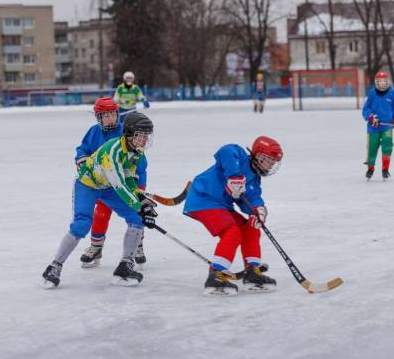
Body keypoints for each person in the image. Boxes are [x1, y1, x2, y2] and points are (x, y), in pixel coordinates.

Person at [41, 112, 158, 289]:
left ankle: (124, 267)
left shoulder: (136, 152)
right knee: (82, 224)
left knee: (136, 218)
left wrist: (142, 201)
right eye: (140, 136)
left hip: (107, 187)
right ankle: (54, 267)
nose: (144, 140)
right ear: (128, 133)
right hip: (88, 185)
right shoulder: (112, 152)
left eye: (146, 136)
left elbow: (129, 179)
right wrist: (138, 205)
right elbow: (119, 185)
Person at [183, 136, 283, 296]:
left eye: (272, 162)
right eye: (266, 159)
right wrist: (234, 176)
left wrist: (258, 211)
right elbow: (226, 151)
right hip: (203, 198)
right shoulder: (240, 157)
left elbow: (252, 199)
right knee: (232, 232)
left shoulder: (254, 180)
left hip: (221, 205)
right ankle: (216, 275)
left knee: (251, 227)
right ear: (256, 155)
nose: (269, 165)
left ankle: (252, 272)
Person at [76, 97, 149, 268]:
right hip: (107, 184)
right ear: (98, 117)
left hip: (132, 180)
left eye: (113, 114)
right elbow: (83, 150)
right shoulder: (93, 132)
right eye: (105, 115)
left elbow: (139, 157)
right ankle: (96, 247)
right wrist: (83, 160)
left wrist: (135, 178)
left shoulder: (127, 130)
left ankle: (138, 246)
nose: (110, 118)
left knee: (136, 213)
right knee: (101, 213)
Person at [362, 71, 394, 181]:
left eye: (384, 81)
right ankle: (370, 168)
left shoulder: (392, 93)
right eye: (380, 81)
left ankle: (385, 169)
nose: (382, 84)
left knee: (387, 145)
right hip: (373, 127)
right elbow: (366, 109)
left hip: (387, 126)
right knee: (372, 147)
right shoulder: (372, 93)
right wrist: (371, 117)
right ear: (376, 82)